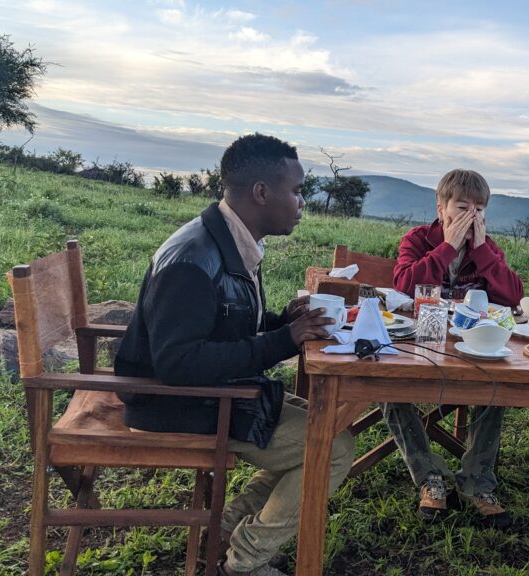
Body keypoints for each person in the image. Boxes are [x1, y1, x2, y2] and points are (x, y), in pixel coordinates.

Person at [114, 133, 354, 576]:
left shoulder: (229, 241)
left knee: (331, 425)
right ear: (261, 193)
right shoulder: (193, 259)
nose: (303, 202)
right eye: (297, 191)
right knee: (333, 446)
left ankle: (225, 526)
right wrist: (285, 339)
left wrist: (282, 321)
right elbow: (179, 364)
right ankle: (244, 563)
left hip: (216, 392)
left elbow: (223, 324)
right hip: (179, 405)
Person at [389, 169, 523, 528]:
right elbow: (403, 283)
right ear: (441, 207)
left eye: (480, 209)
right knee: (389, 385)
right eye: (463, 207)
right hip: (419, 339)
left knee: (497, 382)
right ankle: (429, 476)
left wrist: (480, 252)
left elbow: (513, 295)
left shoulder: (487, 248)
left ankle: (477, 482)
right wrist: (447, 246)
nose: (472, 216)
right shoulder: (419, 239)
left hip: (468, 344)